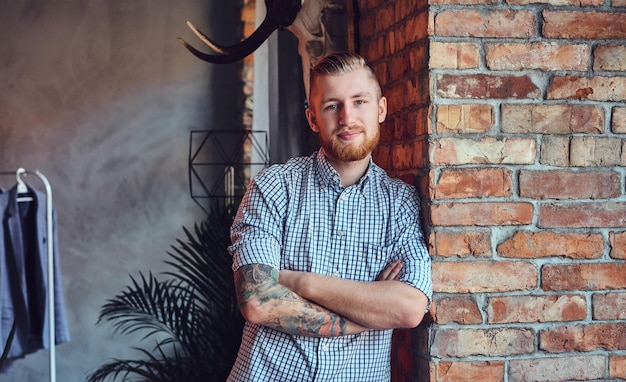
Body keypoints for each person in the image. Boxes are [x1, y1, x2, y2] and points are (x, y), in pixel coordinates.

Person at [227, 52, 432, 382]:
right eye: (331, 105)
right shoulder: (273, 187)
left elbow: (408, 308)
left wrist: (300, 282)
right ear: (313, 119)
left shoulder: (401, 203)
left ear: (381, 108)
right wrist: (368, 314)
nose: (347, 117)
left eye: (360, 101)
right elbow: (258, 300)